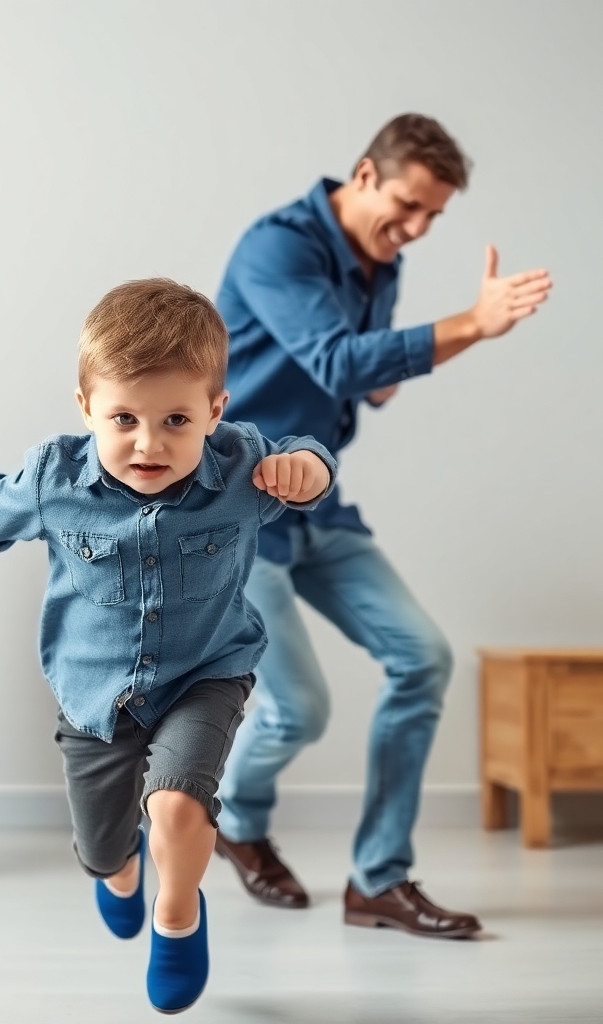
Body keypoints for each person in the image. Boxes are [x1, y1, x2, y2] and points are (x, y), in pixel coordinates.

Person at [0, 279, 337, 1013]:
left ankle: (178, 915)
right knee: (102, 851)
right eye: (124, 417)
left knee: (178, 809)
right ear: (87, 406)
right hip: (96, 698)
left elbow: (308, 460)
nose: (149, 443)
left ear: (215, 413)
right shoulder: (54, 479)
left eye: (177, 420)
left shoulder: (241, 466)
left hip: (206, 675)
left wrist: (308, 471)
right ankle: (119, 870)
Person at [212, 114, 552, 937]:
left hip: (319, 497)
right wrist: (470, 323)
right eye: (407, 207)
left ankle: (379, 881)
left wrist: (457, 334)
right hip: (239, 506)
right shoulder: (277, 248)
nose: (417, 229)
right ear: (363, 176)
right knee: (299, 711)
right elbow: (338, 361)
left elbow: (374, 383)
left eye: (433, 217)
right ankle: (234, 816)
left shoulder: (378, 264)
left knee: (422, 658)